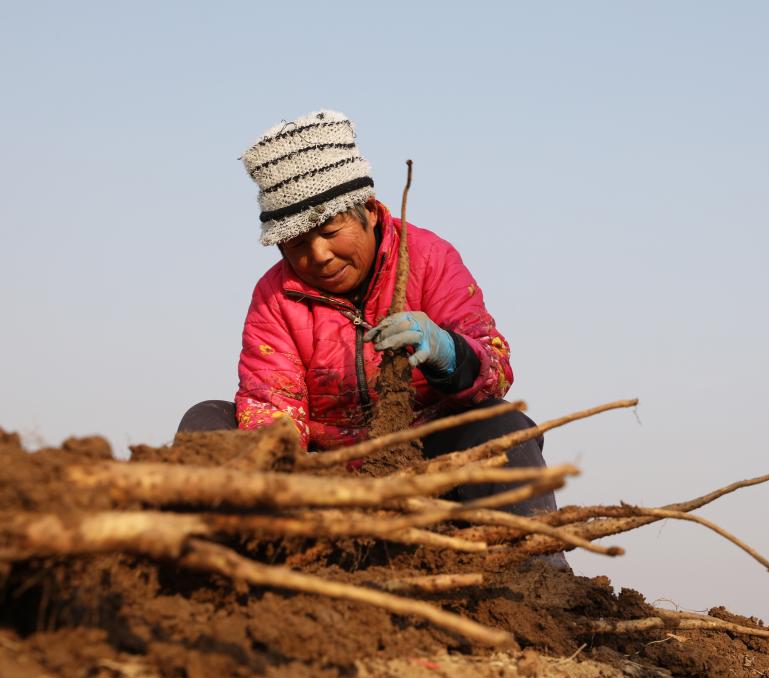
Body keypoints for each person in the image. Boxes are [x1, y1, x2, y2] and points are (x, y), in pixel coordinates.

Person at [177, 109, 563, 534]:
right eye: (298, 244)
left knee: (502, 424)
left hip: (428, 462)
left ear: (369, 211)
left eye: (329, 232)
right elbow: (272, 404)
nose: (318, 255)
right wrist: (284, 475)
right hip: (324, 476)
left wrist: (447, 352)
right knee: (207, 421)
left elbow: (495, 371)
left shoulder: (430, 258)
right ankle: (236, 554)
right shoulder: (274, 297)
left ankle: (539, 578)